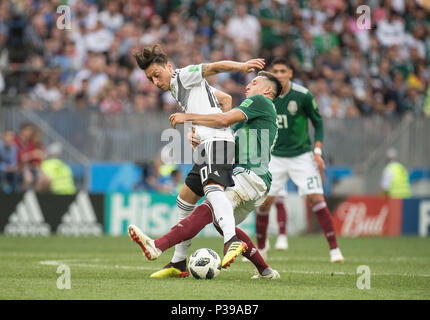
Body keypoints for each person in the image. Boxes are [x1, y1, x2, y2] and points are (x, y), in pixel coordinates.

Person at [128, 71, 281, 279]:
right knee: (221, 220)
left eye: (254, 82)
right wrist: (201, 138)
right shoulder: (254, 119)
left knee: (207, 208)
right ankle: (266, 271)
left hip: (249, 175)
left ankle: (158, 245)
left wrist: (187, 117)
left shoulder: (260, 101)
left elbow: (224, 118)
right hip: (256, 182)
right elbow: (228, 139)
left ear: (267, 89)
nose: (248, 86)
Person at [255, 57, 344, 263]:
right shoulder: (265, 95)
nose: (278, 75)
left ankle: (334, 250)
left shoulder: (302, 95)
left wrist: (318, 151)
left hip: (301, 156)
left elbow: (318, 122)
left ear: (290, 73)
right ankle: (261, 249)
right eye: (275, 71)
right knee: (264, 203)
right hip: (274, 157)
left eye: (282, 71)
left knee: (316, 199)